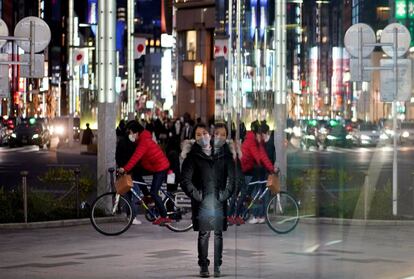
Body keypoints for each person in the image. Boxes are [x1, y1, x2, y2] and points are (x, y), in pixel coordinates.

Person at [181, 123, 235, 278]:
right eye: (198, 134)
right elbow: (185, 181)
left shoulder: (221, 154)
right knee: (204, 233)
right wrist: (199, 196)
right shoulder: (192, 156)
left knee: (218, 233)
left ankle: (218, 265)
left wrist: (224, 195)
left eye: (204, 133)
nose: (202, 137)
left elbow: (231, 179)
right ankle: (203, 265)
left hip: (219, 200)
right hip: (202, 202)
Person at [118, 121, 172, 225]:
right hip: (152, 166)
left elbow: (136, 157)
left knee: (154, 192)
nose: (130, 135)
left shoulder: (144, 142)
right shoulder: (141, 139)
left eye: (131, 132)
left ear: (137, 132)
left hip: (160, 167)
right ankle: (148, 197)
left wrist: (125, 169)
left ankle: (164, 216)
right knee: (136, 173)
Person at [233, 121, 277, 225]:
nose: (262, 137)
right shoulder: (251, 141)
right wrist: (270, 168)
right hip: (244, 170)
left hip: (251, 169)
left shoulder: (258, 142)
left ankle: (255, 214)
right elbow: (259, 157)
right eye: (260, 135)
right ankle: (246, 213)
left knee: (256, 189)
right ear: (257, 134)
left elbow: (263, 156)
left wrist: (271, 168)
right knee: (250, 193)